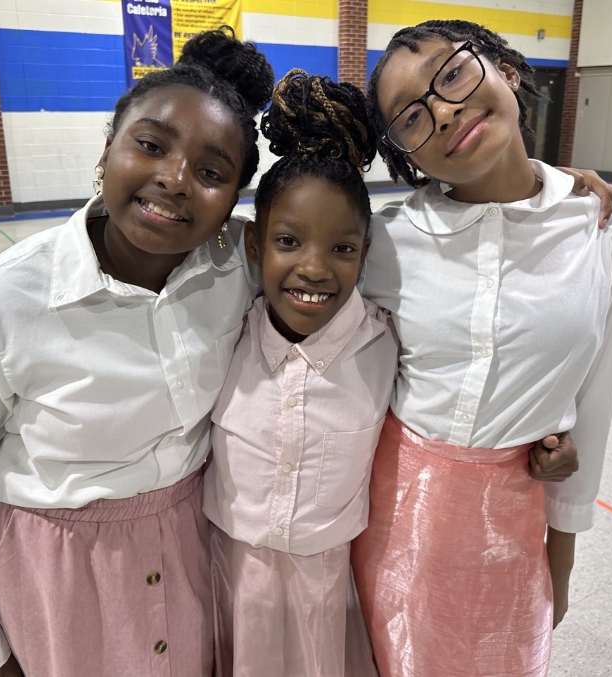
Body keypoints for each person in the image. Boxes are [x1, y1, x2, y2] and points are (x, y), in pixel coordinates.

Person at [0, 27, 273, 677]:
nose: (176, 180)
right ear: (107, 151)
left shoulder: (242, 263)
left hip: (195, 555)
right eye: (150, 145)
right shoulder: (2, 300)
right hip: (58, 576)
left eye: (212, 172)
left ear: (235, 199)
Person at [350, 20, 612, 677]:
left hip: (512, 525)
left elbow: (594, 401)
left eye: (452, 74)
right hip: (395, 521)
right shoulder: (388, 239)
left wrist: (560, 555)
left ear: (504, 67)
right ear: (408, 154)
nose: (444, 112)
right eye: (412, 118)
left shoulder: (598, 224)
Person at [203, 69, 397, 677]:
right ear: (255, 245)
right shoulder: (224, 329)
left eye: (341, 249)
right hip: (227, 572)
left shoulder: (387, 341)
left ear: (364, 255)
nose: (313, 269)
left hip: (327, 583)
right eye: (289, 241)